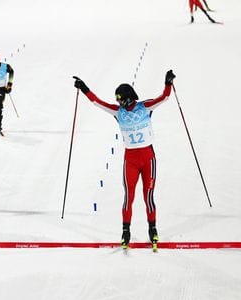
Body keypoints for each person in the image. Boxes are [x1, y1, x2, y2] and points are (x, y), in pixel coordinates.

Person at [73, 70, 176, 250]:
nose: (118, 102)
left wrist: (168, 82)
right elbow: (97, 102)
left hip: (148, 159)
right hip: (131, 160)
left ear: (128, 98)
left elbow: (164, 98)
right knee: (129, 197)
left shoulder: (145, 107)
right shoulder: (117, 112)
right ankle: (125, 231)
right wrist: (84, 88)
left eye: (120, 98)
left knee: (148, 196)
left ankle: (152, 228)